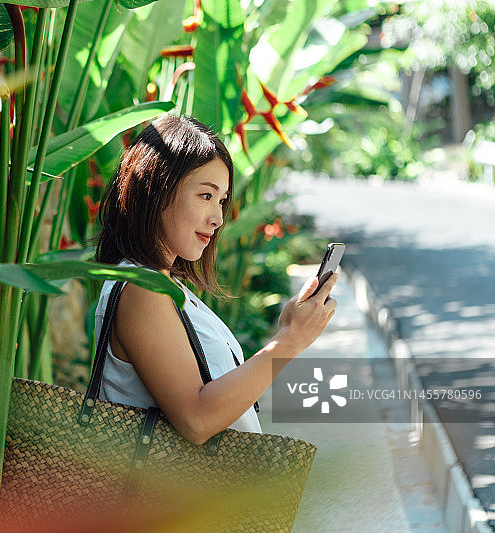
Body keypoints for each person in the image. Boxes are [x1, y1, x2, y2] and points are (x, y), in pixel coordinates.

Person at [94, 114, 338, 445]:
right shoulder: (141, 288)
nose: (218, 218)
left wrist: (286, 330)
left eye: (221, 200)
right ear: (156, 189)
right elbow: (196, 418)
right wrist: (289, 341)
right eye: (205, 196)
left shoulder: (161, 284)